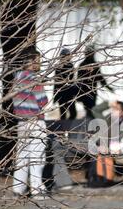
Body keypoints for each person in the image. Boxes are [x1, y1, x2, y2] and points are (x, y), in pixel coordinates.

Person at [12, 49, 48, 199]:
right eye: (38, 60)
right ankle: (37, 188)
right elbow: (43, 100)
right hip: (35, 120)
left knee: (22, 155)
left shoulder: (17, 78)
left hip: (21, 121)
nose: (39, 64)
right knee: (37, 155)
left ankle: (18, 187)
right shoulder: (34, 79)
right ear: (31, 62)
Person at [77, 46, 114, 118]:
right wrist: (78, 94)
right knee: (89, 111)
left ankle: (93, 125)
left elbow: (100, 78)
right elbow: (79, 81)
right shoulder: (82, 65)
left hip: (92, 92)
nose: (91, 55)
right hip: (84, 92)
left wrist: (108, 87)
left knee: (92, 110)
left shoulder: (95, 65)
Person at [53, 48, 80, 120]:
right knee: (64, 114)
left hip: (68, 94)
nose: (70, 56)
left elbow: (72, 81)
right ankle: (64, 129)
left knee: (73, 113)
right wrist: (55, 96)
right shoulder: (59, 67)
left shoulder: (70, 65)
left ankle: (68, 128)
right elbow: (56, 82)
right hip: (62, 94)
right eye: (68, 55)